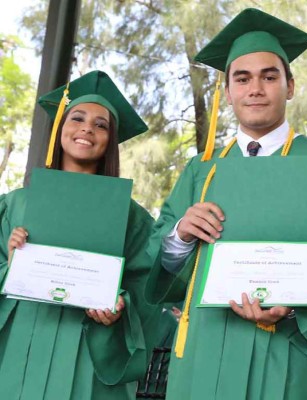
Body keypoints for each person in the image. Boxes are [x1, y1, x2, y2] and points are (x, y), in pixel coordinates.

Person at [145, 8, 307, 400]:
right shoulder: (202, 171)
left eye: (269, 76)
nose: (255, 88)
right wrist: (181, 234)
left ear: (290, 86)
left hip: (292, 355)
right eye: (242, 79)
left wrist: (295, 308)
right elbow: (158, 263)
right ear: (228, 92)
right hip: (208, 349)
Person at [0, 70, 160, 399]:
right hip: (18, 352)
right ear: (61, 127)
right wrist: (11, 267)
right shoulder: (14, 204)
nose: (88, 128)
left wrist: (119, 310)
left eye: (101, 125)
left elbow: (148, 293)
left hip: (88, 361)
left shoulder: (132, 218)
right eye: (77, 118)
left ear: (110, 140)